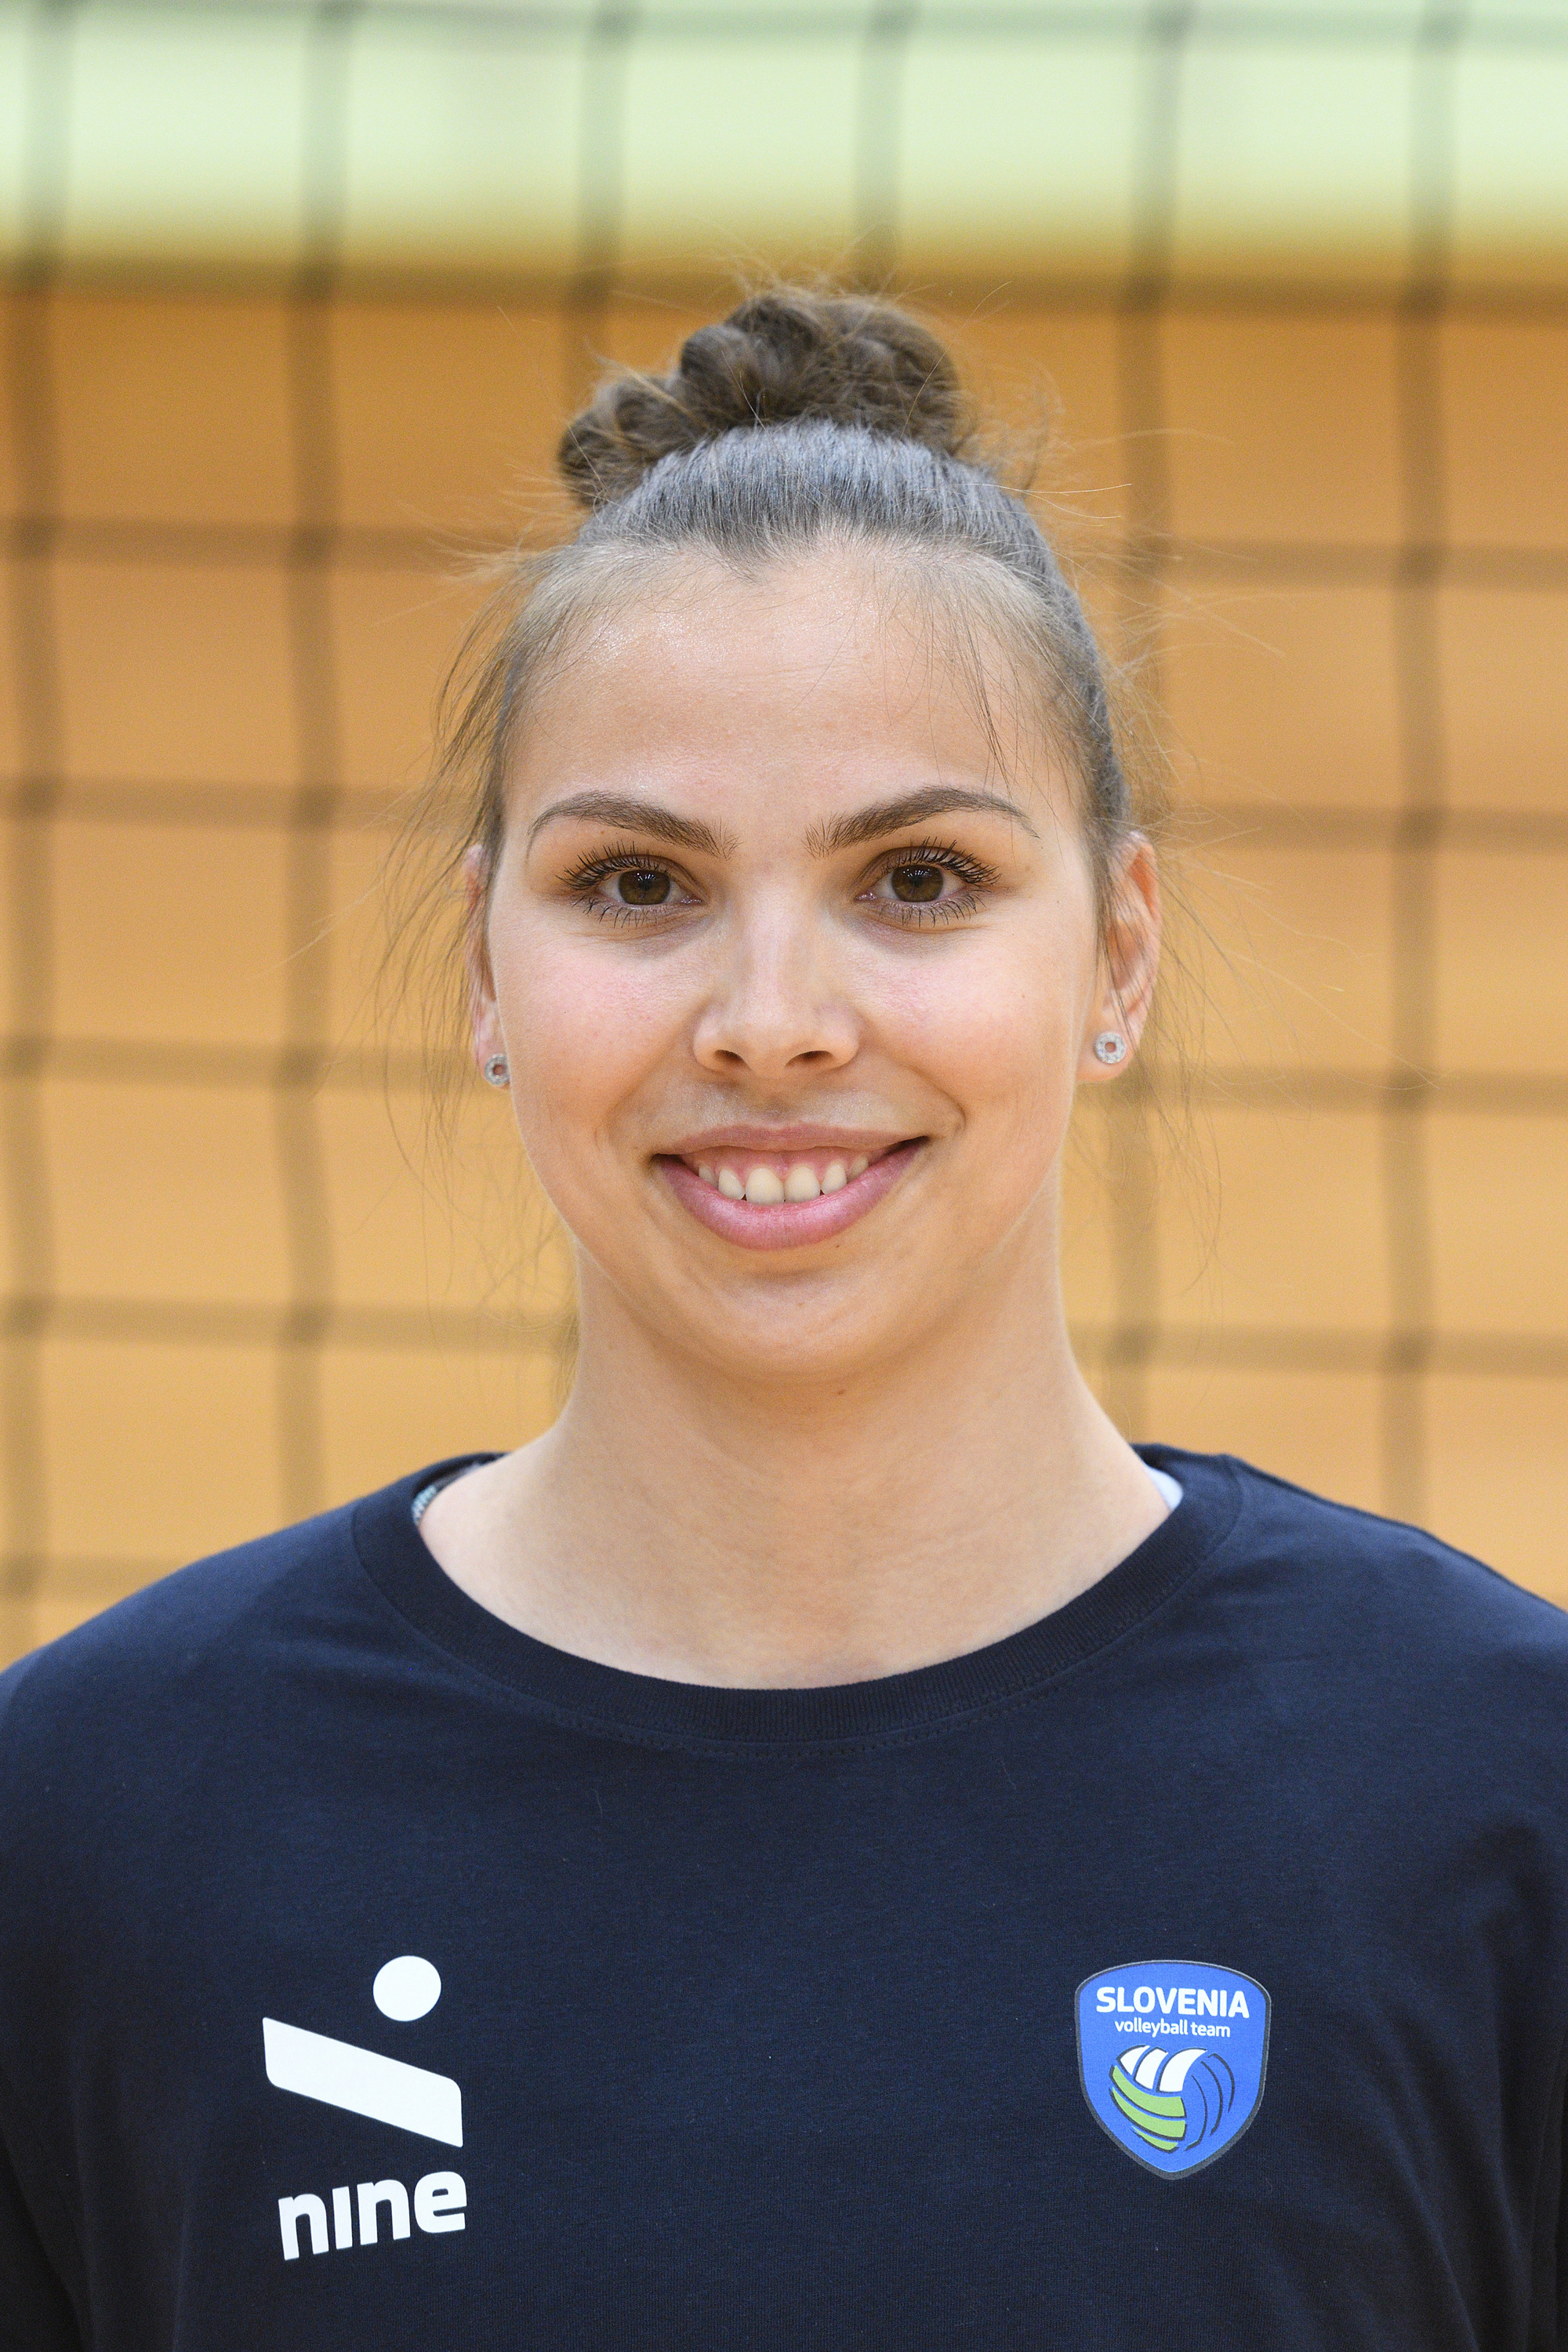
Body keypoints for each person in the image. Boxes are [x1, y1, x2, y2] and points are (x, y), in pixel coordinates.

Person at [1, 289, 1564, 2352]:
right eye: (638, 886)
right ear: (483, 964)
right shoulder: (96, 1819)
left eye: (916, 880)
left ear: (1118, 952)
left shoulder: (1491, 1791)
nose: (771, 1022)